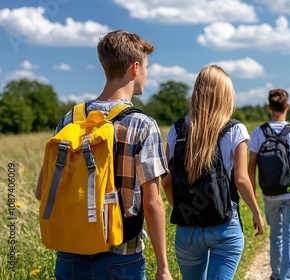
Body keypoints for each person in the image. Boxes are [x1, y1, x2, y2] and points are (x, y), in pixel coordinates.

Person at [35, 30, 173, 280]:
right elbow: (153, 203)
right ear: (134, 68)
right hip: (121, 257)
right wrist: (163, 267)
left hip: (69, 254)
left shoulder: (70, 120)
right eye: (146, 67)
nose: (147, 73)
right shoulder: (142, 125)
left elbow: (40, 191)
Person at [162, 65, 265, 280]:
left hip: (187, 228)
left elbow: (167, 182)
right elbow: (241, 179)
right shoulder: (235, 130)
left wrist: (185, 210)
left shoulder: (176, 129)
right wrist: (256, 212)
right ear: (226, 96)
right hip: (224, 225)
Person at [248, 88, 290, 280]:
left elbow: (251, 164)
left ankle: (276, 274)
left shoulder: (258, 132)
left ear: (269, 107)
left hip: (269, 193)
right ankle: (286, 277)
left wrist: (252, 191)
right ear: (287, 107)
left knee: (275, 234)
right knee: (289, 235)